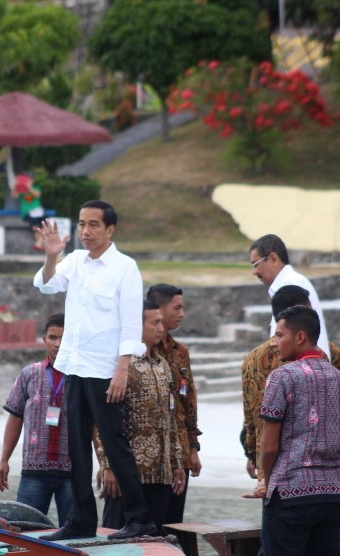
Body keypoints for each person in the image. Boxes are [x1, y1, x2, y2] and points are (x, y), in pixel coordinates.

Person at [32, 200, 156, 541]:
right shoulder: (74, 261)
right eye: (82, 224)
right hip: (74, 366)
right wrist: (51, 255)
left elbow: (131, 324)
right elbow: (46, 285)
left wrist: (122, 370)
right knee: (77, 448)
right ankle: (81, 519)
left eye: (94, 225)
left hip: (106, 370)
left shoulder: (125, 267)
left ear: (110, 229)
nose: (86, 231)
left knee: (115, 445)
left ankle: (140, 519)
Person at [258, 305, 340, 556]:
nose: (274, 343)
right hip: (333, 496)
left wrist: (269, 483)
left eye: (280, 335)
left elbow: (269, 447)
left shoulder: (283, 377)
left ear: (300, 337)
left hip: (291, 493)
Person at [242, 285, 340, 498]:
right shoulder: (337, 371)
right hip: (332, 487)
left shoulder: (275, 372)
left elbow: (257, 424)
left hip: (286, 482)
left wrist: (262, 469)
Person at [96, 301, 186, 534]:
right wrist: (108, 466)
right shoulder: (120, 366)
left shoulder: (162, 365)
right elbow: (104, 421)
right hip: (128, 472)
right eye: (155, 323)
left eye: (161, 322)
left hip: (160, 472)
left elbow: (171, 417)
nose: (161, 328)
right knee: (114, 538)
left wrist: (176, 464)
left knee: (153, 540)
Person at [0, 313, 73, 526]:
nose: (58, 344)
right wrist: (4, 460)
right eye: (53, 337)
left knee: (75, 535)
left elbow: (94, 424)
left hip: (73, 473)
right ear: (44, 340)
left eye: (64, 339)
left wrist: (105, 465)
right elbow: (15, 417)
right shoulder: (28, 374)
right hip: (33, 473)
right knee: (24, 532)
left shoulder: (81, 377)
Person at [145, 283, 202, 526]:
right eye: (176, 308)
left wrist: (193, 447)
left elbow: (188, 401)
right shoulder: (134, 353)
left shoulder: (180, 352)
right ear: (157, 309)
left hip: (178, 454)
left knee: (173, 525)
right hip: (146, 456)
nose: (182, 314)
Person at [249, 234, 330, 357]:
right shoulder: (291, 283)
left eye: (256, 264)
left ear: (273, 259)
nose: (254, 272)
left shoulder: (291, 286)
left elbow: (291, 341)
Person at [11, 173, 45, 251]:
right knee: (35, 227)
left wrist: (29, 188)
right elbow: (13, 195)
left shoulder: (35, 188)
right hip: (27, 213)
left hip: (38, 212)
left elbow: (37, 195)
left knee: (46, 224)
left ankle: (38, 244)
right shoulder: (21, 191)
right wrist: (15, 186)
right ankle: (40, 244)